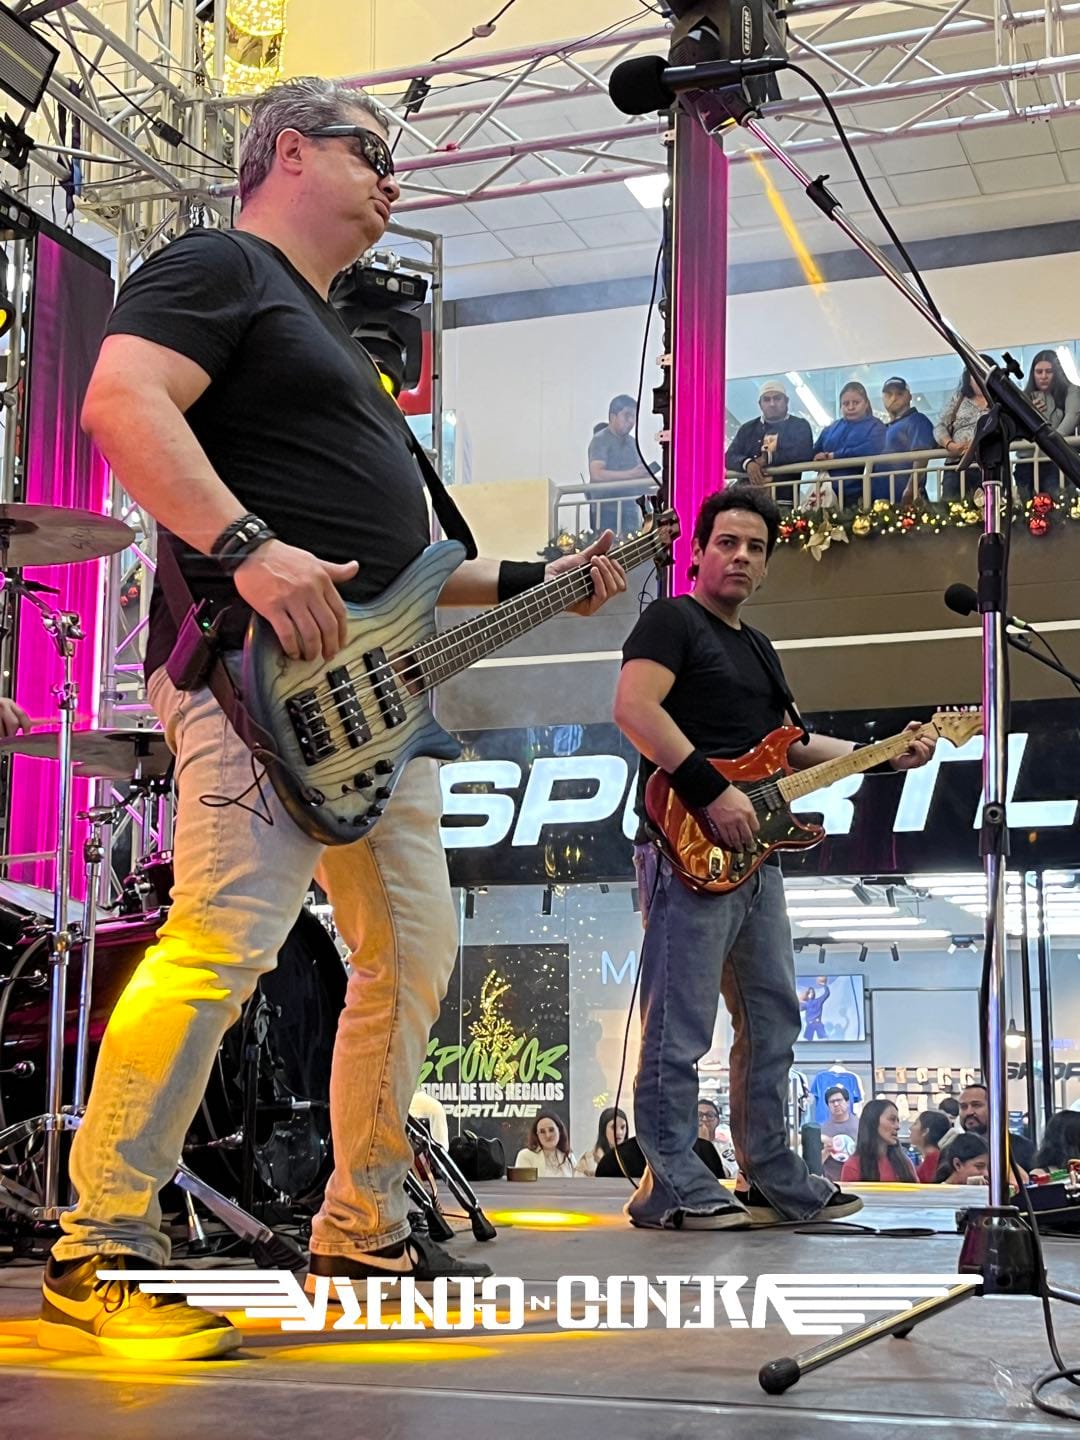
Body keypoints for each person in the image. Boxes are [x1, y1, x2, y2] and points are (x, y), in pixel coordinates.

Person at [37, 76, 627, 1361]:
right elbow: (121, 404)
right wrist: (246, 544)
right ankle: (101, 1239)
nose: (393, 181)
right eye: (374, 153)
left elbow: (412, 567)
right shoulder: (221, 266)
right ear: (289, 152)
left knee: (412, 956)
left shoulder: (340, 343)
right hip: (257, 680)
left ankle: (363, 1228)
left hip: (378, 705)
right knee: (219, 945)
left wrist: (545, 579)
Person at [612, 485, 936, 1231]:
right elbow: (633, 708)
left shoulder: (758, 647)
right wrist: (710, 790)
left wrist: (886, 755)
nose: (741, 557)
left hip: (757, 857)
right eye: (727, 543)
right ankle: (669, 1181)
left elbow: (789, 748)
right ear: (698, 552)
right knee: (679, 1028)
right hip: (685, 844)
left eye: (756, 548)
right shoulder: (672, 621)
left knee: (774, 1021)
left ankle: (770, 1173)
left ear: (766, 565)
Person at [725, 380, 814, 504]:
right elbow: (729, 457)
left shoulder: (799, 426)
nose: (772, 404)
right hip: (749, 500)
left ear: (786, 401)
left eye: (777, 398)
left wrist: (768, 459)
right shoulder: (747, 428)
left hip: (783, 501)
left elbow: (804, 453)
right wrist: (748, 464)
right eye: (766, 400)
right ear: (760, 404)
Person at [1013, 350, 1080, 498]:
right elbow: (1014, 431)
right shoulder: (1023, 397)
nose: (1043, 376)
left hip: (1056, 461)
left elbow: (1071, 419)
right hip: (1027, 462)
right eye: (1039, 372)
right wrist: (1029, 410)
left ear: (1057, 373)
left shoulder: (1071, 391)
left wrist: (1050, 444)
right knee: (1026, 506)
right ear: (1033, 374)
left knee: (1057, 505)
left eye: (1049, 371)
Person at [810, 381, 886, 505]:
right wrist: (817, 458)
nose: (850, 407)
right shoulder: (831, 428)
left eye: (856, 403)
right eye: (846, 404)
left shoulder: (876, 426)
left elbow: (872, 449)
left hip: (861, 494)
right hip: (826, 494)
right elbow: (814, 452)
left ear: (866, 403)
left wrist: (834, 456)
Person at [587, 394, 655, 532]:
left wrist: (651, 485)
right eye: (627, 415)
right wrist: (632, 474)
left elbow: (637, 474)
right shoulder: (600, 439)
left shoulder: (632, 443)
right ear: (613, 416)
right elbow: (597, 474)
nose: (631, 421)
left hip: (631, 507)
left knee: (634, 543)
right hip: (606, 509)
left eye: (634, 417)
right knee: (609, 544)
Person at [875, 376, 936, 505]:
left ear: (909, 396)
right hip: (882, 502)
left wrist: (911, 488)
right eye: (889, 394)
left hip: (907, 501)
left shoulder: (917, 420)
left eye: (899, 393)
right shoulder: (883, 428)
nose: (894, 398)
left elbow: (922, 455)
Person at [934, 365, 990, 501]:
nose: (979, 379)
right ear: (968, 378)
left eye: (983, 374)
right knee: (951, 508)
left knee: (990, 509)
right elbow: (939, 426)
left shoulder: (998, 402)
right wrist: (950, 445)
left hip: (988, 465)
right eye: (975, 375)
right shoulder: (958, 399)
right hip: (957, 465)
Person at [957, 1082, 1037, 1172]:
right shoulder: (953, 1149)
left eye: (976, 1105)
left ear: (994, 1108)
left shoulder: (1022, 1147)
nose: (969, 1112)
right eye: (963, 1107)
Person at [839, 1099, 918, 1183]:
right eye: (892, 1119)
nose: (898, 1126)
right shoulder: (853, 1167)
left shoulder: (905, 1164)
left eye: (898, 1121)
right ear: (873, 1121)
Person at [514, 1111, 576, 1177]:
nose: (548, 1135)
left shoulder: (568, 1156)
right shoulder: (525, 1155)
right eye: (542, 1132)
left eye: (551, 1130)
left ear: (559, 1131)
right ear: (536, 1135)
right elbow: (523, 1182)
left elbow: (577, 1181)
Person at [820, 1085, 860, 1182]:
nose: (836, 1104)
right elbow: (816, 1163)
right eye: (832, 1102)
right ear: (828, 1106)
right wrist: (826, 1151)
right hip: (832, 1182)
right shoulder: (823, 1130)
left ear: (847, 1102)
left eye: (839, 1100)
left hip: (856, 1181)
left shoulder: (860, 1125)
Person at [576, 1106, 629, 1177]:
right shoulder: (588, 1161)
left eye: (622, 1127)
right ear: (603, 1130)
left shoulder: (634, 1160)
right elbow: (577, 1183)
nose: (619, 1132)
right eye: (613, 1127)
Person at [909, 1108, 952, 1183]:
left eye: (915, 1123)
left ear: (925, 1131)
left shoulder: (932, 1160)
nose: (910, 1128)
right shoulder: (936, 1157)